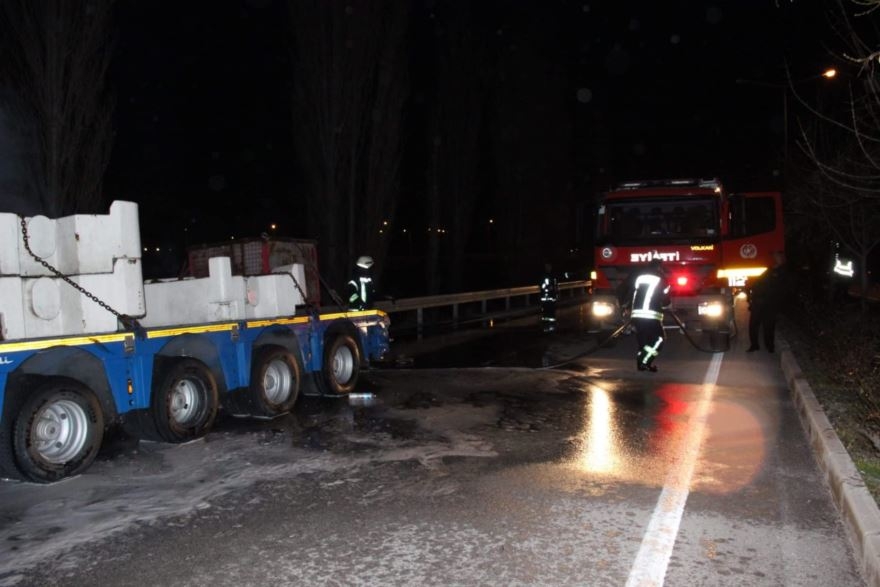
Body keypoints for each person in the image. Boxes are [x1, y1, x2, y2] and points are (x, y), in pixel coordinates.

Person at [629, 259, 671, 372]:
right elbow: (666, 300)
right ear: (659, 267)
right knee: (659, 340)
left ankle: (641, 364)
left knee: (643, 341)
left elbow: (634, 293)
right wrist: (667, 305)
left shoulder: (640, 277)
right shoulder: (661, 278)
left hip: (636, 315)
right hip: (650, 315)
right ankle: (645, 361)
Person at [746, 250, 789, 353]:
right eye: (774, 256)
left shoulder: (783, 271)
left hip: (771, 303)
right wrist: (751, 295)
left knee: (768, 325)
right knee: (753, 324)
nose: (775, 258)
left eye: (777, 256)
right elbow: (757, 282)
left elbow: (782, 289)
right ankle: (754, 345)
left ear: (781, 258)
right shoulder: (769, 270)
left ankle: (770, 346)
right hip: (758, 301)